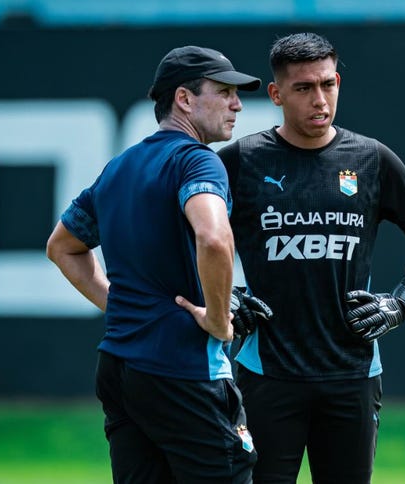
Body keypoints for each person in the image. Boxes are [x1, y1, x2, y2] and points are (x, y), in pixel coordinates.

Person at [216, 33, 405, 483]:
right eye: (304, 88)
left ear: (339, 82)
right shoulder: (240, 162)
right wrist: (222, 293)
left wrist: (401, 302)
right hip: (267, 374)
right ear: (276, 93)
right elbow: (181, 239)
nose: (319, 99)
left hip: (352, 375)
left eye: (328, 84)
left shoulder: (371, 159)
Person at [45, 45, 265, 483]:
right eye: (223, 92)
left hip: (120, 368)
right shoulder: (196, 160)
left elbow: (62, 246)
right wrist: (221, 319)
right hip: (183, 369)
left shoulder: (119, 167)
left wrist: (119, 305)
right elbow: (215, 237)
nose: (237, 104)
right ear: (184, 99)